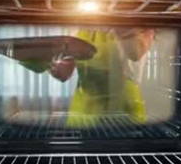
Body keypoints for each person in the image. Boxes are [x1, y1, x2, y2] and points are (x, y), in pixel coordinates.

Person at [18, 27, 155, 128]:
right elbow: (64, 73)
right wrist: (51, 63)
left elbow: (135, 53)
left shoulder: (139, 24)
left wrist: (118, 24)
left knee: (126, 160)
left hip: (124, 107)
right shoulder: (80, 27)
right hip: (84, 108)